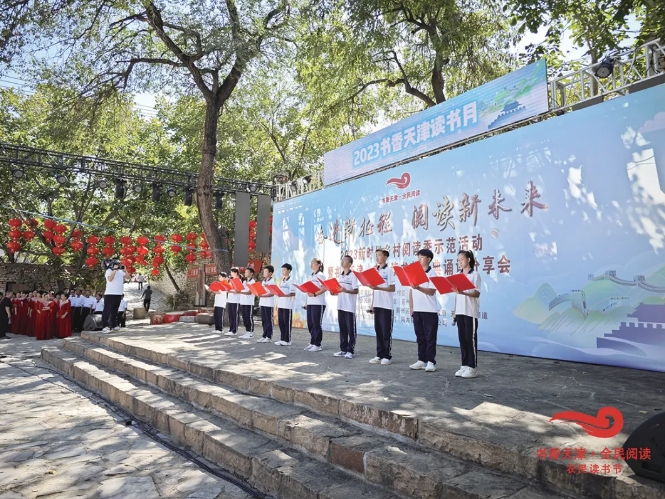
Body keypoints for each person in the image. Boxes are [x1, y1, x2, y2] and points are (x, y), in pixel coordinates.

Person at [452, 250, 482, 379]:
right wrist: (455, 311)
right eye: (458, 260)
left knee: (470, 339)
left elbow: (477, 293)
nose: (460, 262)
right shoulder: (457, 275)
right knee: (462, 339)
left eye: (462, 259)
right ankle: (464, 365)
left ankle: (472, 367)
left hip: (470, 311)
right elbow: (456, 296)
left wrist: (463, 292)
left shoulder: (475, 275)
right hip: (460, 312)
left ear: (468, 259)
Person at [408, 249, 439, 372]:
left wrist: (418, 288)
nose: (419, 260)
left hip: (429, 310)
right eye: (418, 257)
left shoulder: (432, 274)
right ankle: (421, 360)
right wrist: (411, 308)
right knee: (420, 336)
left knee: (430, 337)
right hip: (417, 310)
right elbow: (411, 291)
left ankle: (431, 361)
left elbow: (431, 292)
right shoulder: (415, 273)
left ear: (428, 259)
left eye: (421, 257)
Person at [369, 249, 396, 365]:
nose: (377, 257)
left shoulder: (389, 271)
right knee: (378, 330)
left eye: (379, 255)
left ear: (385, 257)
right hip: (377, 304)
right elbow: (374, 290)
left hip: (386, 305)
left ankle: (387, 356)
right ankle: (379, 354)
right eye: (376, 255)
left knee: (386, 331)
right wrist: (372, 305)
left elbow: (392, 288)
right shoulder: (375, 271)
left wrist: (379, 288)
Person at [332, 255, 359, 359]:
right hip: (341, 305)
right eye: (342, 260)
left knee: (351, 330)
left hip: (349, 307)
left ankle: (350, 351)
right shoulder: (341, 275)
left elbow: (356, 290)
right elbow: (339, 290)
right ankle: (343, 349)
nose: (342, 262)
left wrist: (345, 290)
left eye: (344, 260)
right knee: (342, 329)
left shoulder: (353, 275)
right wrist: (334, 292)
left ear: (349, 264)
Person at [305, 258, 327, 352]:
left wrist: (314, 294)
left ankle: (318, 344)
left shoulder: (321, 275)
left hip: (318, 303)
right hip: (310, 303)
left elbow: (325, 288)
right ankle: (312, 342)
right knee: (310, 324)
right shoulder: (310, 276)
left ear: (318, 265)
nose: (311, 264)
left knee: (316, 324)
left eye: (313, 263)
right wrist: (306, 303)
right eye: (311, 263)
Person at [275, 263, 296, 346]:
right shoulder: (282, 281)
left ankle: (287, 340)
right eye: (282, 270)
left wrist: (283, 295)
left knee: (287, 323)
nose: (282, 271)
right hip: (281, 304)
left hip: (287, 305)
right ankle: (282, 338)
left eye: (284, 270)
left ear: (289, 270)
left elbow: (292, 293)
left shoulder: (291, 281)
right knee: (281, 323)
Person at [102, 261, 125, 333]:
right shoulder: (109, 271)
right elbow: (110, 279)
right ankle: (104, 326)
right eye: (117, 264)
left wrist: (125, 270)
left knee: (115, 311)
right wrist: (114, 270)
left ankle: (114, 325)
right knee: (107, 310)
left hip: (118, 294)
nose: (119, 265)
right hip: (110, 293)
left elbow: (128, 277)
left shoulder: (121, 272)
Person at [257, 266, 276, 343]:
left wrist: (263, 296)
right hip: (262, 303)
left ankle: (269, 336)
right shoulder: (263, 281)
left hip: (269, 303)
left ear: (270, 273)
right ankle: (264, 335)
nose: (264, 273)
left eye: (266, 271)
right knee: (264, 320)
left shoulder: (272, 281)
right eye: (264, 271)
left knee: (268, 320)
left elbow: (272, 293)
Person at [238, 267, 256, 339]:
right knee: (244, 317)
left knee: (249, 317)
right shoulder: (245, 281)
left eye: (247, 272)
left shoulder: (253, 282)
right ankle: (247, 331)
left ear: (251, 273)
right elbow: (242, 289)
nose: (246, 273)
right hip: (243, 302)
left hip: (249, 302)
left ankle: (250, 332)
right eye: (245, 272)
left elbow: (249, 292)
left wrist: (240, 292)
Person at [225, 268, 241, 336]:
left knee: (235, 315)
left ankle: (234, 330)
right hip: (230, 300)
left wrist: (230, 291)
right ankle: (231, 329)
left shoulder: (238, 280)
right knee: (230, 315)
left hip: (236, 300)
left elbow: (238, 291)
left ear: (236, 273)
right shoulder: (230, 280)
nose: (231, 273)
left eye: (232, 272)